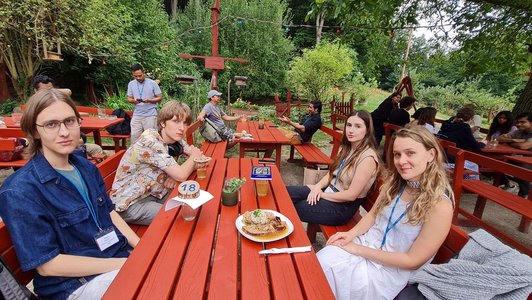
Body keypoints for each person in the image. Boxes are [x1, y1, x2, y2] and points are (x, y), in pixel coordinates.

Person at [0, 89, 138, 300]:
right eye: (51, 124)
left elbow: (109, 213)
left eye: (69, 121)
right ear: (35, 131)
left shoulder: (85, 167)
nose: (64, 132)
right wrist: (128, 264)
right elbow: (48, 266)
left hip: (114, 259)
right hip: (74, 285)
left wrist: (142, 249)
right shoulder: (21, 190)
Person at [317, 125, 454, 299]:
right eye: (397, 154)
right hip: (366, 244)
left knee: (328, 271)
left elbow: (413, 261)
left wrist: (357, 249)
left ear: (431, 155)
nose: (401, 161)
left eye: (410, 153)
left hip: (390, 271)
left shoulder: (440, 205)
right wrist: (350, 234)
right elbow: (373, 215)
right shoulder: (393, 185)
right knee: (321, 261)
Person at [110, 101, 203, 225]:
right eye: (176, 121)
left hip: (156, 193)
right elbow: (185, 171)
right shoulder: (150, 141)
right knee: (182, 215)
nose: (182, 128)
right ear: (163, 123)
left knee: (195, 204)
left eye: (185, 123)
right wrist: (190, 161)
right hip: (131, 204)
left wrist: (176, 174)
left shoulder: (176, 141)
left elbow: (201, 161)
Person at [286, 110, 380, 226]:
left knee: (292, 208)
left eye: (358, 126)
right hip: (328, 191)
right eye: (349, 125)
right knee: (285, 193)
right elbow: (330, 174)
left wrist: (321, 194)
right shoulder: (346, 148)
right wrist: (317, 187)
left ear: (367, 130)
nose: (351, 130)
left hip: (341, 206)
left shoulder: (367, 158)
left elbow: (351, 195)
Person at [497, 112, 532, 198]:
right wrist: (515, 140)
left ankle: (525, 194)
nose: (519, 124)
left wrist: (512, 143)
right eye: (518, 122)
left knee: (522, 170)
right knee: (495, 162)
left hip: (529, 160)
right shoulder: (519, 131)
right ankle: (508, 183)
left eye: (523, 122)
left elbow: (523, 146)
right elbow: (499, 138)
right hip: (520, 158)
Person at [127, 63, 162, 144]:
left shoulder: (152, 83)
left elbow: (160, 97)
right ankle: (135, 155)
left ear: (144, 73)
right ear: (133, 75)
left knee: (151, 138)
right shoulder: (131, 84)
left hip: (150, 114)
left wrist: (149, 100)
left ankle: (152, 155)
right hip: (137, 114)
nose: (138, 78)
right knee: (135, 137)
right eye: (136, 76)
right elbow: (129, 98)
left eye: (140, 75)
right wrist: (134, 100)